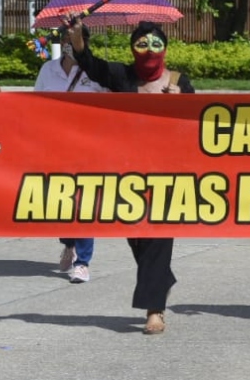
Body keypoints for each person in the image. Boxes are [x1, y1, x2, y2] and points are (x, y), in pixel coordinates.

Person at [66, 19, 192, 335]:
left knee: (158, 238)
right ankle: (162, 280)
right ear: (132, 49)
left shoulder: (179, 82)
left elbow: (197, 126)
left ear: (165, 48)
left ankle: (154, 311)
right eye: (141, 44)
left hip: (167, 177)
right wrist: (79, 41)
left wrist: (182, 105)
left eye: (156, 44)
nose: (149, 51)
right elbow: (92, 66)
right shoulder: (123, 76)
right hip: (127, 175)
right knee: (137, 237)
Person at [33, 26, 108, 283]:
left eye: (75, 39)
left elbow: (112, 103)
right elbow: (36, 106)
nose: (69, 43)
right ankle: (68, 242)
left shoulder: (95, 72)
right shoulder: (48, 71)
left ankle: (83, 261)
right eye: (65, 38)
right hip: (56, 145)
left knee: (84, 201)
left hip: (88, 147)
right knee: (62, 199)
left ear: (83, 42)